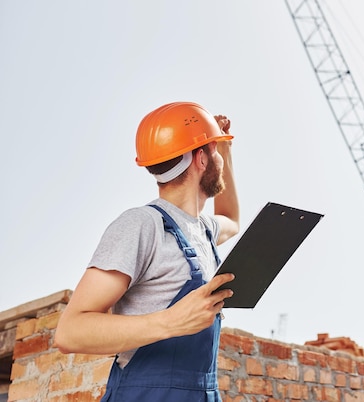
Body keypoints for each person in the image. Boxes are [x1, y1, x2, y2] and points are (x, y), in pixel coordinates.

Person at [55, 101, 239, 401]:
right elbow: (69, 332)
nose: (219, 156)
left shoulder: (203, 230)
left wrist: (225, 151)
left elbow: (232, 218)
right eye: (214, 150)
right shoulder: (143, 225)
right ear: (200, 159)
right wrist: (170, 321)